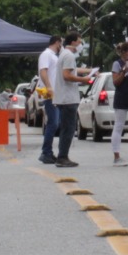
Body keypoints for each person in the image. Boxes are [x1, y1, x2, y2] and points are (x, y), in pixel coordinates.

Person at [53, 32, 91, 168]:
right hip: (68, 99)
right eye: (80, 42)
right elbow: (67, 75)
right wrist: (84, 79)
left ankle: (62, 156)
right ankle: (62, 157)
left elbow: (71, 71)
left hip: (65, 98)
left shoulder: (64, 55)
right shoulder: (69, 55)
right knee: (68, 129)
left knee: (66, 128)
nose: (81, 45)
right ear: (74, 42)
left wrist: (87, 71)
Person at [37, 35, 63, 164]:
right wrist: (49, 87)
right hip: (50, 93)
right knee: (53, 123)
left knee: (55, 123)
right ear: (57, 42)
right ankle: (46, 152)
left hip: (55, 94)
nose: (61, 46)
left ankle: (47, 152)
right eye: (60, 43)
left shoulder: (54, 56)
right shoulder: (46, 54)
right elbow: (43, 71)